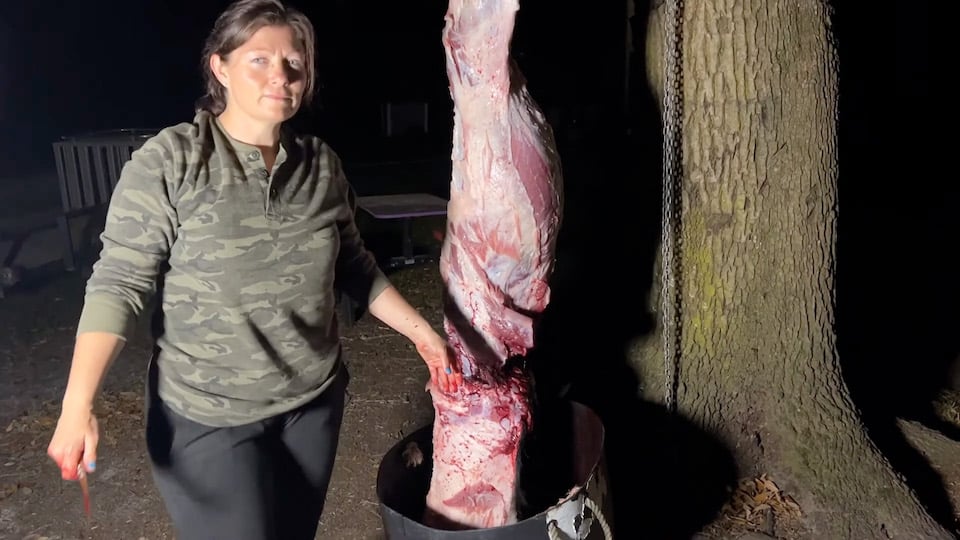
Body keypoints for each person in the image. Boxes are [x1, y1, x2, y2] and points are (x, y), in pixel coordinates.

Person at [45, 1, 462, 538]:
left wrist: (424, 336)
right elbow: (118, 284)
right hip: (208, 416)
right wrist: (78, 403)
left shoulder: (320, 165)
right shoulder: (171, 160)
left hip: (311, 405)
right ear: (219, 67)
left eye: (294, 63)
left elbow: (355, 267)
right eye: (259, 60)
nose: (281, 76)